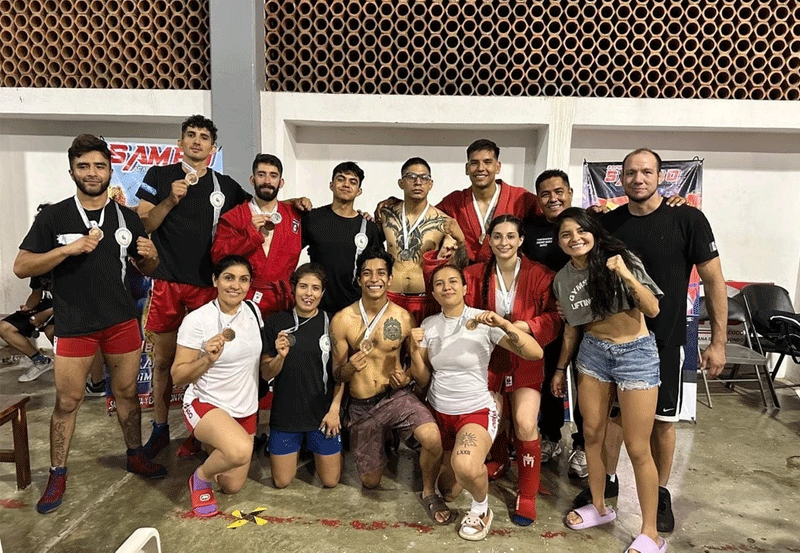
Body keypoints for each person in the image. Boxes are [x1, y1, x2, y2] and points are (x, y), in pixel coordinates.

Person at [14, 134, 166, 514]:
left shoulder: (127, 217)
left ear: (110, 171)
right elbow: (21, 266)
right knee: (68, 401)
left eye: (99, 166)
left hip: (120, 321)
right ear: (72, 172)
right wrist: (67, 249)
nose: (92, 172)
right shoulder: (54, 217)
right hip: (74, 324)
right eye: (83, 166)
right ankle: (57, 473)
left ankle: (135, 454)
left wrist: (151, 256)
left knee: (127, 394)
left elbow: (147, 267)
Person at [596, 148, 727, 533]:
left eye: (646, 172)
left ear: (660, 177)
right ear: (621, 178)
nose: (638, 179)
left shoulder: (687, 219)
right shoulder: (608, 223)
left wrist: (718, 341)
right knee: (613, 419)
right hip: (616, 342)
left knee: (662, 423)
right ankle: (607, 482)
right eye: (630, 173)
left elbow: (714, 280)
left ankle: (661, 491)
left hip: (665, 341)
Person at [551, 207, 666, 553]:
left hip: (636, 353)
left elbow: (653, 309)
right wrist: (559, 369)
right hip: (593, 354)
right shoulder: (562, 279)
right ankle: (600, 507)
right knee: (591, 434)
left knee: (637, 446)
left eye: (580, 231)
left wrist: (626, 274)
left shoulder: (621, 258)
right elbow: (572, 329)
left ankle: (651, 533)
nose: (575, 239)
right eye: (566, 234)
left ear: (594, 232)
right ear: (559, 242)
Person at [135, 115, 249, 459]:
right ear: (180, 142)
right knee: (163, 362)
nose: (197, 141)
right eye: (191, 135)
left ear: (213, 148)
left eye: (204, 137)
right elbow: (145, 221)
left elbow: (259, 207)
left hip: (205, 286)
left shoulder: (225, 186)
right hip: (167, 282)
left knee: (207, 361)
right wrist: (170, 200)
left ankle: (200, 431)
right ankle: (160, 428)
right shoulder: (159, 175)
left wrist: (295, 203)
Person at [411, 264, 544, 541]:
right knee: (448, 491)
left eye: (453, 281)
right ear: (433, 293)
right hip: (439, 411)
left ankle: (481, 509)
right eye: (439, 283)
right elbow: (422, 378)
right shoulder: (429, 325)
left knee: (466, 467)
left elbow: (535, 353)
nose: (446, 287)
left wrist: (504, 324)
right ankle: (451, 477)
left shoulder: (483, 321)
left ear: (464, 288)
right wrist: (414, 350)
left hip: (474, 411)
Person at [330, 248, 449, 525]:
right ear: (359, 279)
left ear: (390, 278)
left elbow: (418, 372)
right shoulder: (342, 320)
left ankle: (429, 491)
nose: (374, 279)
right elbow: (337, 375)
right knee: (370, 482)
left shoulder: (404, 318)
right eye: (367, 273)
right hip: (362, 407)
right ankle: (387, 439)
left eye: (381, 273)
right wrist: (349, 368)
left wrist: (405, 377)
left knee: (433, 438)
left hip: (395, 398)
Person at [463, 215, 561, 526]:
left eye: (510, 236)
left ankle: (527, 494)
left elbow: (554, 319)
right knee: (492, 419)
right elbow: (462, 313)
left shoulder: (541, 275)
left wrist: (525, 326)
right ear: (489, 240)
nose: (503, 242)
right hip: (488, 357)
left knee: (524, 422)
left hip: (525, 356)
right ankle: (500, 459)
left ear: (520, 240)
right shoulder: (473, 274)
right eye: (497, 236)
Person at [170, 255, 266, 517]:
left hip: (244, 408)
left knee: (231, 486)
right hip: (206, 402)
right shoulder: (197, 320)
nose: (236, 285)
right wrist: (207, 359)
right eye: (228, 278)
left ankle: (212, 443)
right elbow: (178, 376)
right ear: (215, 280)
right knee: (240, 451)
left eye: (243, 279)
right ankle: (199, 478)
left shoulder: (253, 312)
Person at [521, 170, 587, 476]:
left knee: (585, 383)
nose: (553, 198)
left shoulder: (586, 223)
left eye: (559, 191)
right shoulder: (530, 229)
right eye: (545, 194)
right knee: (549, 378)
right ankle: (550, 435)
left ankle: (583, 443)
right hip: (549, 320)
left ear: (570, 193)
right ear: (538, 199)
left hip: (586, 321)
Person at [262, 263, 343, 489]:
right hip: (286, 415)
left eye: (315, 288)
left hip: (322, 415)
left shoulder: (332, 323)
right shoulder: (277, 323)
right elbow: (266, 373)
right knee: (281, 481)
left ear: (322, 292)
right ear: (293, 289)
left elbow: (340, 373)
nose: (309, 294)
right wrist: (279, 357)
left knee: (330, 481)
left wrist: (335, 410)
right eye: (303, 286)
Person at [211, 154, 305, 317]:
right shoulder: (234, 217)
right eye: (261, 175)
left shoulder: (295, 216)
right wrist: (250, 234)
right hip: (244, 301)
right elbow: (218, 256)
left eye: (273, 176)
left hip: (283, 303)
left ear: (281, 182)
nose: (267, 181)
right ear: (252, 179)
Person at [378, 157, 465, 323]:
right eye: (411, 177)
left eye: (424, 178)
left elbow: (459, 264)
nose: (418, 182)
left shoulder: (443, 221)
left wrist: (461, 239)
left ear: (430, 184)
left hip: (425, 299)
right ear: (401, 183)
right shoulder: (385, 215)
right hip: (391, 296)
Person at [436, 139, 541, 263]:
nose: (481, 168)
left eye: (487, 162)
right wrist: (445, 236)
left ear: (497, 167)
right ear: (467, 168)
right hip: (467, 272)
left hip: (509, 270)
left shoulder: (520, 197)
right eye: (474, 163)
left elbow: (548, 220)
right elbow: (427, 220)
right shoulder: (454, 202)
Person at [302, 162, 384, 314]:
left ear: (359, 191)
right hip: (317, 305)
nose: (346, 184)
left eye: (353, 181)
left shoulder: (368, 227)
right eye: (341, 179)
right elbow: (289, 254)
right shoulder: (312, 218)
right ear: (331, 185)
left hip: (355, 308)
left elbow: (378, 267)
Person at [2, 273, 54, 382]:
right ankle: (41, 361)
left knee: (51, 331)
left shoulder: (69, 267)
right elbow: (36, 293)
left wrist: (46, 314)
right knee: (4, 328)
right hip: (46, 306)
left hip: (67, 308)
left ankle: (73, 366)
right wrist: (28, 307)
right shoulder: (38, 267)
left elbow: (76, 300)